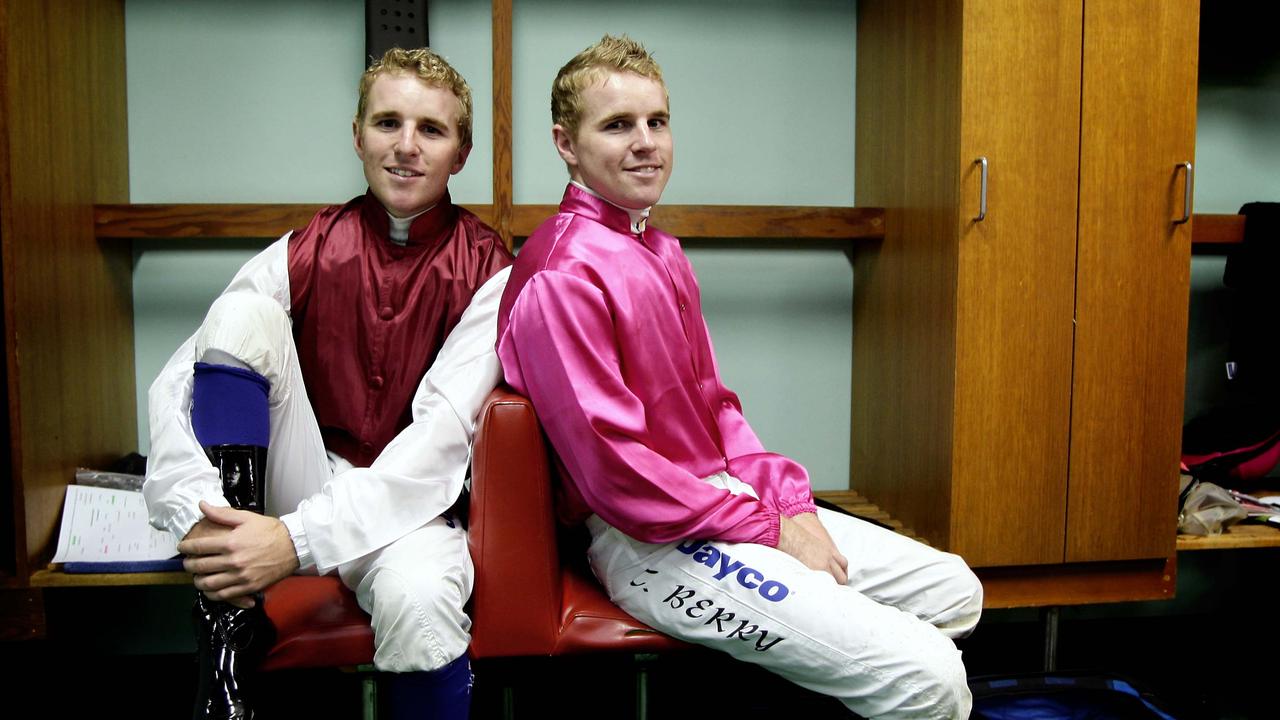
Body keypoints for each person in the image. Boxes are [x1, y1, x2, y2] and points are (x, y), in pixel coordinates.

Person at [496, 35, 983, 719]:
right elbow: (618, 474)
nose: (645, 142)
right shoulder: (563, 273)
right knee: (931, 678)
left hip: (721, 503)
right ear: (565, 143)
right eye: (617, 125)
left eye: (656, 121)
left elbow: (717, 409)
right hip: (647, 539)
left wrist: (790, 506)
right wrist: (771, 532)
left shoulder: (658, 248)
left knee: (956, 589)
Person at [144, 47, 512, 720]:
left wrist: (294, 542)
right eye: (387, 123)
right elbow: (176, 386)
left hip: (412, 511)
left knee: (421, 602)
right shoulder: (308, 247)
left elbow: (437, 445)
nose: (406, 147)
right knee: (239, 314)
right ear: (356, 135)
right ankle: (226, 634)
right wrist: (203, 518)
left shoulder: (491, 272)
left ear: (461, 154)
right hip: (306, 477)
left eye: (431, 130)